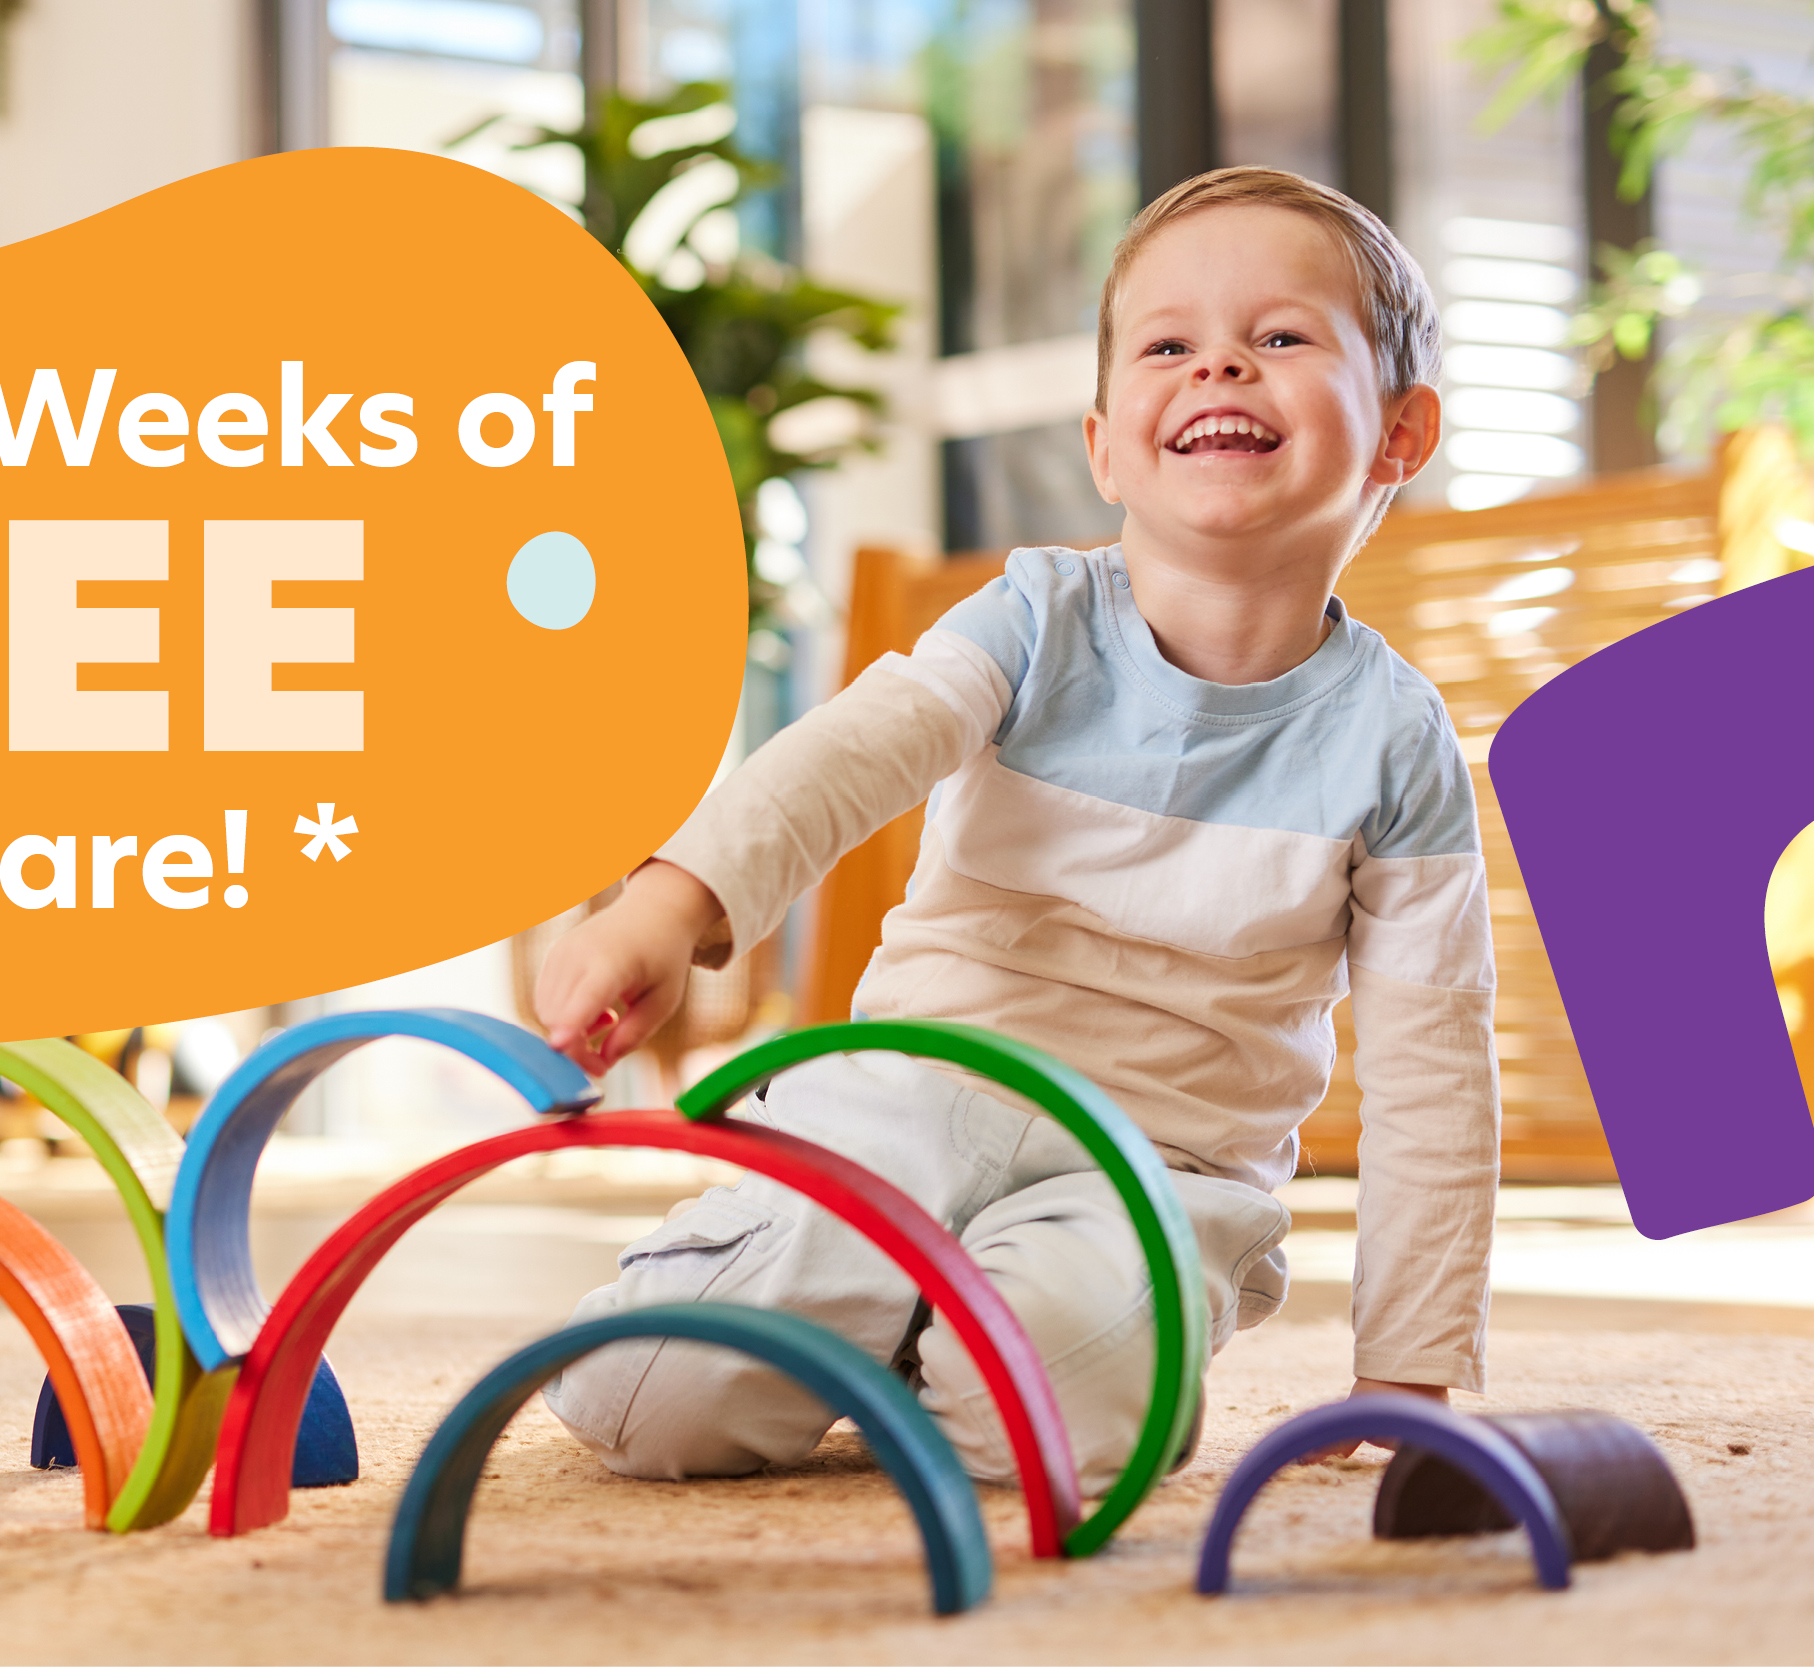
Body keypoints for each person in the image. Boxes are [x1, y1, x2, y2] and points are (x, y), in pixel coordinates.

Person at [529, 166, 1498, 1490]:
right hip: (910, 1099)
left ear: (1400, 432)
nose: (1220, 365)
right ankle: (867, 1294)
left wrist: (1411, 1364)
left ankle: (962, 1330)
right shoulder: (1031, 622)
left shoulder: (1397, 745)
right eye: (1169, 344)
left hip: (1156, 1171)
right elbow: (847, 757)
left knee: (1049, 1438)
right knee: (640, 1405)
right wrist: (672, 902)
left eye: (1279, 337)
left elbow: (1436, 1066)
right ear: (1104, 445)